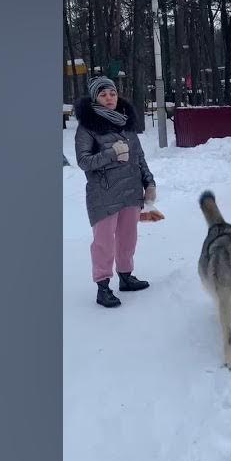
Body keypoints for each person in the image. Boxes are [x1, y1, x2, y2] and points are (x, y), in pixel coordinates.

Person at [74, 76, 156, 308]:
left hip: (131, 191)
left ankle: (126, 276)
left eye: (112, 93)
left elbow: (139, 157)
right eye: (103, 94)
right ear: (95, 98)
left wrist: (149, 183)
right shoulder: (87, 127)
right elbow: (83, 161)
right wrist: (112, 154)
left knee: (128, 238)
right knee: (103, 242)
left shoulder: (126, 122)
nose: (109, 98)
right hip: (104, 194)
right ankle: (102, 287)